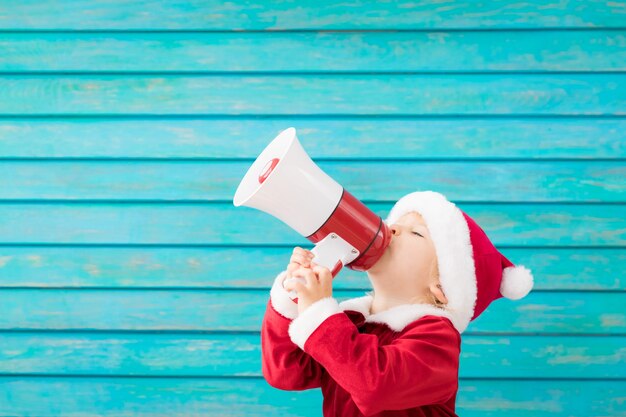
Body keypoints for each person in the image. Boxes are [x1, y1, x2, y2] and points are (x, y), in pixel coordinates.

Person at [261, 190, 534, 416]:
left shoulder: (437, 338)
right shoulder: (348, 324)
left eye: (415, 233)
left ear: (441, 286)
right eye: (395, 223)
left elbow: (375, 385)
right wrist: (294, 297)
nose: (391, 229)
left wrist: (320, 315)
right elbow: (286, 372)